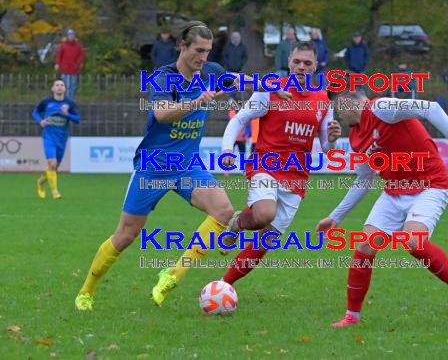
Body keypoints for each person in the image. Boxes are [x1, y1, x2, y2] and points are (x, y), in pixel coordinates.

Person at [75, 21, 237, 311]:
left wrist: (273, 89)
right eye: (198, 50)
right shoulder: (163, 78)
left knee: (223, 211)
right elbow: (162, 115)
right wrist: (197, 101)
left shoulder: (211, 72)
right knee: (125, 235)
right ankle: (86, 291)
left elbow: (237, 81)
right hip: (153, 167)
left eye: (208, 51)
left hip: (187, 165)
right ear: (182, 46)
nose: (203, 57)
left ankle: (173, 275)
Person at [318, 89, 448, 327]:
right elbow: (365, 179)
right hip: (393, 192)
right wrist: (334, 218)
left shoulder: (383, 108)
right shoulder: (357, 137)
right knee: (365, 246)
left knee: (413, 241)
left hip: (429, 186)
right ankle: (351, 317)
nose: (340, 117)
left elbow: (432, 109)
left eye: (338, 110)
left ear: (347, 103)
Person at [218, 41, 342, 285]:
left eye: (307, 63)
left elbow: (327, 147)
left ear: (316, 66)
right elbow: (239, 119)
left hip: (297, 176)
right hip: (266, 165)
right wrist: (226, 149)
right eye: (297, 62)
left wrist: (334, 140)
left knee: (266, 241)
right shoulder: (270, 90)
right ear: (289, 63)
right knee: (264, 213)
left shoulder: (323, 101)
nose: (301, 67)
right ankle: (238, 223)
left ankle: (223, 286)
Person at [32, 79, 80, 200]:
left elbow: (77, 119)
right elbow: (35, 112)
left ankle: (41, 182)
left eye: (62, 85)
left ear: (65, 89)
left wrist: (67, 114)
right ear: (53, 89)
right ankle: (55, 191)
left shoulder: (70, 103)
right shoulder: (47, 101)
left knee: (54, 167)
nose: (59, 87)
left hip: (62, 138)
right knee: (52, 164)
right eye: (57, 85)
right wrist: (40, 121)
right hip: (49, 137)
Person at [54, 29, 85, 100]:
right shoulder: (63, 45)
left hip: (74, 69)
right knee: (65, 85)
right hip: (65, 69)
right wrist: (57, 64)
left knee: (72, 85)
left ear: (74, 36)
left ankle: (71, 100)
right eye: (69, 35)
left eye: (72, 35)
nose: (71, 37)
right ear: (67, 36)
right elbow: (59, 55)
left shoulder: (78, 46)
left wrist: (78, 64)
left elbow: (81, 56)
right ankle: (65, 99)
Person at [223, 31, 248, 102]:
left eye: (237, 37)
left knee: (240, 83)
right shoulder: (228, 47)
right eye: (234, 37)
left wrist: (241, 63)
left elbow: (245, 57)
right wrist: (228, 63)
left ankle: (240, 98)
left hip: (239, 69)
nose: (236, 39)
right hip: (230, 69)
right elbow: (224, 56)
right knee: (231, 83)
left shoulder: (243, 47)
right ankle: (231, 98)